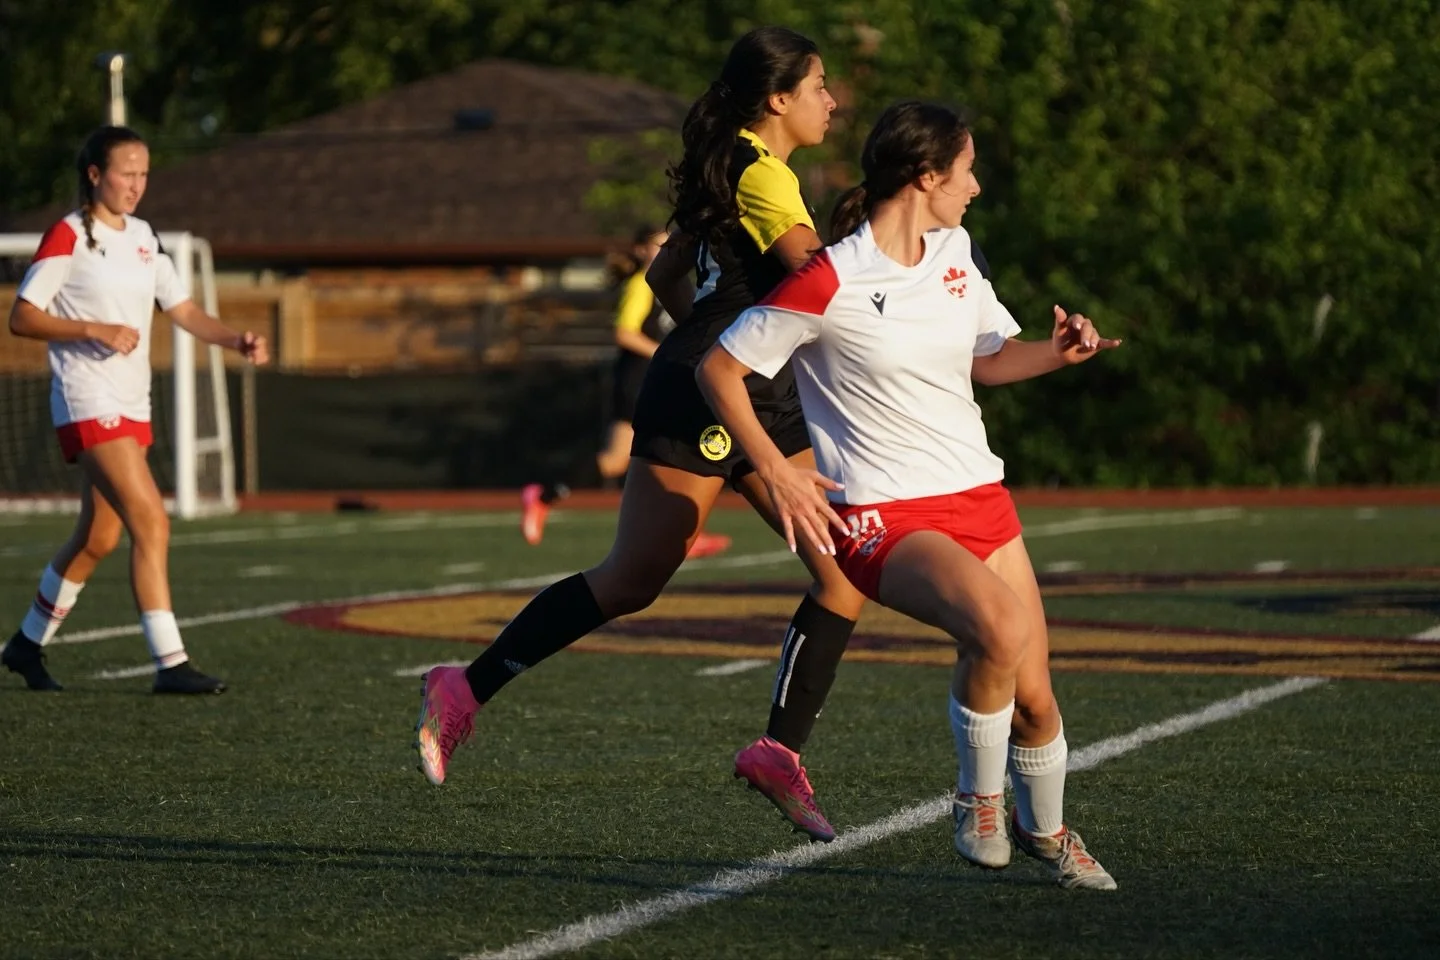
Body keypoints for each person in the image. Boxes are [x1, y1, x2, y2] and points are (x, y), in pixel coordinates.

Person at [415, 26, 866, 843]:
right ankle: (778, 749)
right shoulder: (762, 174)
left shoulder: (725, 164)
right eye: (820, 85)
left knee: (636, 582)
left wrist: (709, 343)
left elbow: (664, 277)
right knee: (841, 572)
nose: (831, 101)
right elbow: (822, 285)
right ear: (778, 99)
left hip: (702, 383)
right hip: (735, 391)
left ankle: (465, 688)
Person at [696, 100, 1121, 889]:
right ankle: (976, 803)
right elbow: (718, 369)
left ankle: (1051, 833)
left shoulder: (957, 250)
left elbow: (991, 359)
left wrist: (1057, 354)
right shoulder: (831, 275)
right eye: (967, 170)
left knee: (1036, 700)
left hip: (980, 497)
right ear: (927, 175)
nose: (978, 186)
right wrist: (778, 468)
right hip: (882, 515)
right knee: (995, 628)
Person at [2, 125, 269, 694]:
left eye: (145, 172)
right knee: (152, 520)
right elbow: (22, 316)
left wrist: (234, 340)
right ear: (95, 174)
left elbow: (185, 310)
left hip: (132, 402)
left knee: (99, 537)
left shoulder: (145, 236)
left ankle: (25, 645)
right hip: (86, 398)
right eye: (127, 171)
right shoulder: (69, 234)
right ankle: (170, 665)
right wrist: (91, 328)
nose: (137, 184)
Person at [519, 225, 731, 560]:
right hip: (639, 379)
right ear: (640, 250)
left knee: (662, 453)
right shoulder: (642, 284)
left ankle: (683, 532)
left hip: (662, 380)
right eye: (657, 246)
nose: (666, 251)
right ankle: (544, 494)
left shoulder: (678, 284)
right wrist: (667, 353)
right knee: (642, 455)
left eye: (670, 245)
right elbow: (625, 334)